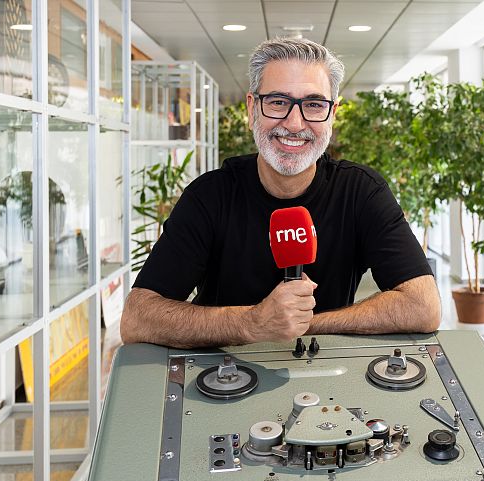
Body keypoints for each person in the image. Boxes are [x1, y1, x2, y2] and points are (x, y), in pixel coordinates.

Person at [120, 37, 441, 349]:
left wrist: (302, 325)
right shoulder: (209, 196)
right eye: (278, 102)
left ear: (333, 113)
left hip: (324, 374)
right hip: (217, 384)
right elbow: (137, 318)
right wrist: (251, 323)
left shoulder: (361, 192)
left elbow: (423, 306)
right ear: (252, 108)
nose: (294, 122)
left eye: (314, 104)